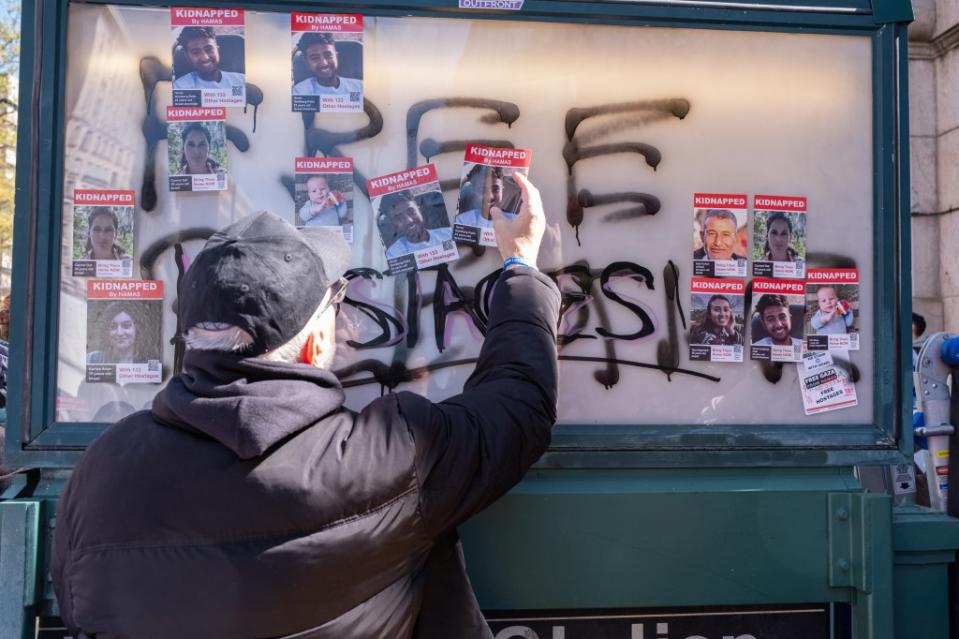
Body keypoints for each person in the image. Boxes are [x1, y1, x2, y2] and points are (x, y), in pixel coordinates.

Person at [52, 174, 559, 639]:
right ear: (315, 347)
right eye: (336, 307)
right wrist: (519, 265)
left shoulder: (101, 472)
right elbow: (518, 403)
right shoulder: (389, 455)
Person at [382, 190, 453, 258]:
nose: (409, 221)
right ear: (393, 223)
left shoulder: (448, 234)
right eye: (398, 217)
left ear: (419, 210)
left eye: (411, 211)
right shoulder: (394, 254)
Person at [172, 26, 245, 91]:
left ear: (217, 50)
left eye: (209, 49)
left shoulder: (242, 81)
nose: (205, 57)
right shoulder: (180, 87)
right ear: (187, 57)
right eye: (196, 52)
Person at [293, 32, 362, 97]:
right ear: (307, 63)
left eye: (328, 55)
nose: (324, 63)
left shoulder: (359, 87)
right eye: (315, 58)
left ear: (336, 56)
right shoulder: (299, 92)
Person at [86, 301, 153, 364]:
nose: (119, 333)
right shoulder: (92, 359)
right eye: (113, 327)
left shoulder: (148, 362)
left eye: (126, 326)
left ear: (137, 329)